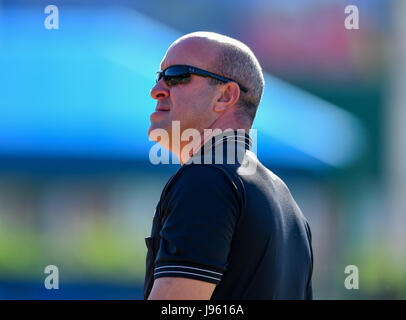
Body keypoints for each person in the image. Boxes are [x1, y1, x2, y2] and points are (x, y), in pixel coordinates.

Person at [144, 31, 313, 300]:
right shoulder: (289, 206)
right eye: (159, 76)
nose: (157, 90)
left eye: (176, 75)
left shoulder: (205, 179)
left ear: (225, 96)